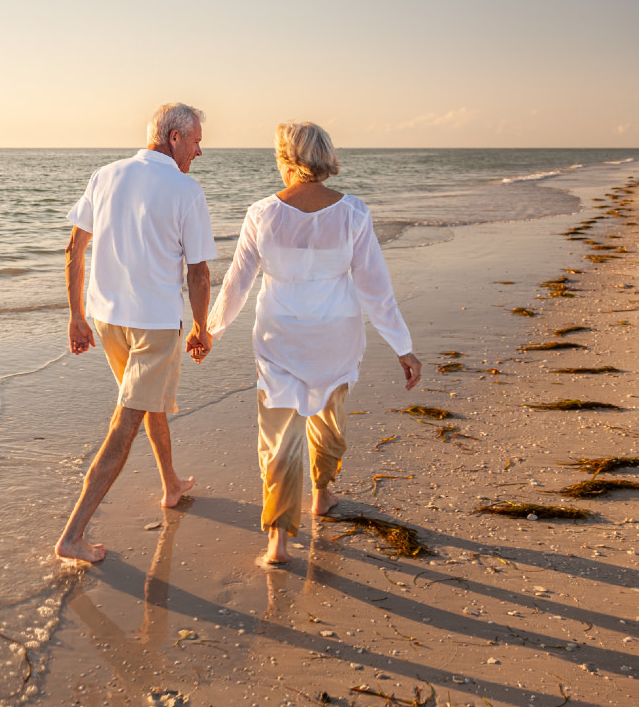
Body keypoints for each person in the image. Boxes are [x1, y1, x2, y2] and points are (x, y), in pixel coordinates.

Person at [200, 121, 422, 566]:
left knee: (279, 437)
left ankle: (278, 541)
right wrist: (403, 346)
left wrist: (209, 331)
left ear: (287, 159)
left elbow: (237, 286)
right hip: (336, 338)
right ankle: (321, 494)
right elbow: (376, 289)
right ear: (324, 158)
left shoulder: (262, 212)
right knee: (329, 419)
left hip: (280, 337)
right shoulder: (354, 212)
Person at [55, 102, 218, 564]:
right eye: (197, 140)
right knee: (126, 421)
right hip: (154, 326)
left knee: (148, 402)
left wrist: (77, 316)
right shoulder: (186, 189)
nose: (200, 151)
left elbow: (73, 249)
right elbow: (199, 272)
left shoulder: (104, 175)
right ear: (174, 139)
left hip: (107, 320)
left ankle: (170, 483)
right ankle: (73, 535)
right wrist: (203, 327)